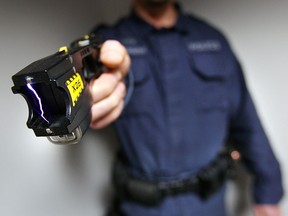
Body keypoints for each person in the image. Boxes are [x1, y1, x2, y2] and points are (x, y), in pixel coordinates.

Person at [88, 0, 284, 215]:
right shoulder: (107, 44)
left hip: (209, 205)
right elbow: (79, 87)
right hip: (140, 207)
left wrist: (269, 192)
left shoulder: (212, 40)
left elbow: (246, 121)